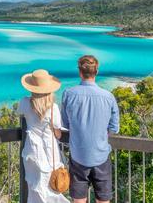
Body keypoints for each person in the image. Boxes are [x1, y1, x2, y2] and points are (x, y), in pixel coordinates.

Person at [61, 55, 119, 203]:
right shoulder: (108, 97)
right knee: (103, 200)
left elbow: (65, 124)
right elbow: (114, 128)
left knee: (79, 200)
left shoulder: (68, 94)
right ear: (96, 72)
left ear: (80, 72)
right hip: (101, 156)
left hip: (78, 156)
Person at [18, 69, 71, 203]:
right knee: (52, 186)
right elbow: (58, 134)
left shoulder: (25, 103)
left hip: (32, 151)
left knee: (34, 186)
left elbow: (20, 114)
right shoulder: (52, 108)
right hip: (50, 151)